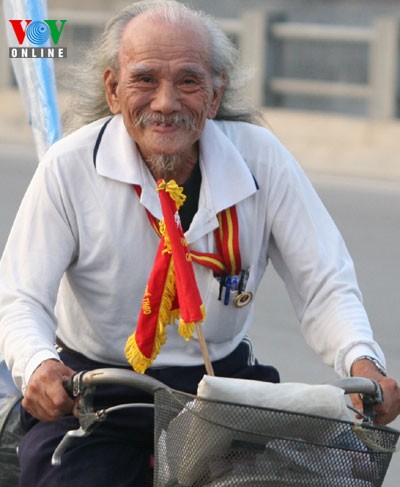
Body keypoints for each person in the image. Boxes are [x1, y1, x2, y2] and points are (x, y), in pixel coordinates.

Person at [0, 1, 399, 485]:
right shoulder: (69, 167)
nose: (165, 102)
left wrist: (363, 359)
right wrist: (39, 365)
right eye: (144, 80)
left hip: (224, 395)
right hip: (96, 392)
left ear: (215, 94)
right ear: (112, 89)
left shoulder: (261, 159)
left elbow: (325, 283)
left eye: (187, 81)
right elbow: (21, 297)